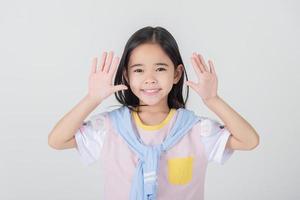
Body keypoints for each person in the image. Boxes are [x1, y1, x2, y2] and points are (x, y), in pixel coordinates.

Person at [48, 26, 260, 200]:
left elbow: (249, 141)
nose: (149, 78)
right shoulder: (109, 128)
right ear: (126, 75)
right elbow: (57, 140)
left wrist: (213, 100)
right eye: (139, 70)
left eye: (160, 69)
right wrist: (92, 99)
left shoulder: (196, 131)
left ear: (176, 74)